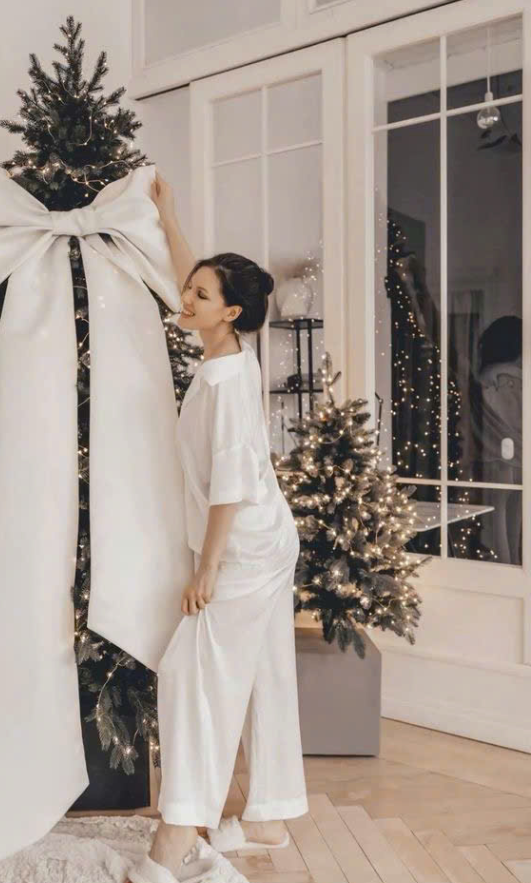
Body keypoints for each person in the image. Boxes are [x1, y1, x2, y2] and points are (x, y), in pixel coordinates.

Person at [126, 171, 308, 883]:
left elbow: (229, 487)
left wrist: (206, 571)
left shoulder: (228, 384)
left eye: (200, 296)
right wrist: (169, 218)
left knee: (192, 676)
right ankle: (268, 817)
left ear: (228, 313)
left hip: (246, 550)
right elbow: (191, 276)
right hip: (267, 539)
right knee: (264, 669)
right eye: (191, 289)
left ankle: (177, 832)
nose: (186, 298)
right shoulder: (227, 351)